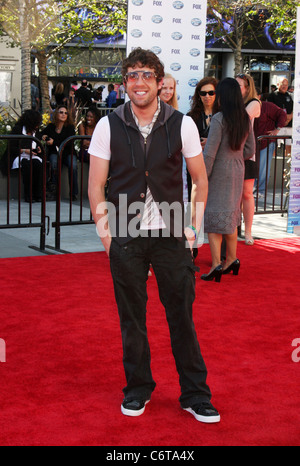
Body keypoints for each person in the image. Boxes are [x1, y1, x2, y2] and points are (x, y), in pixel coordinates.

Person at [88, 47, 220, 424]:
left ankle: (195, 394)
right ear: (124, 82)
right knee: (132, 319)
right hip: (125, 234)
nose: (140, 81)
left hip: (172, 232)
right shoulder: (107, 125)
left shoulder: (183, 124)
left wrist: (193, 226)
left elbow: (199, 179)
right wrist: (106, 236)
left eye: (147, 74)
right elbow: (96, 185)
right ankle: (137, 388)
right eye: (133, 75)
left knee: (181, 317)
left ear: (160, 82)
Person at [201, 78, 255, 282]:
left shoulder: (219, 119)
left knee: (214, 219)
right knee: (231, 217)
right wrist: (235, 154)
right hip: (237, 170)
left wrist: (202, 177)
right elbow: (250, 149)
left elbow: (210, 154)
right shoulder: (244, 117)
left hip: (219, 172)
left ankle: (216, 264)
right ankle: (231, 259)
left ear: (222, 96)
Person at [236, 73, 261, 246]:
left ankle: (248, 232)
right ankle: (234, 229)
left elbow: (240, 121)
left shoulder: (254, 103)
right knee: (234, 195)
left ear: (247, 88)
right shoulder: (232, 104)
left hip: (247, 154)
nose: (237, 89)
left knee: (246, 193)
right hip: (232, 154)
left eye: (240, 86)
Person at [41, 105, 78, 200]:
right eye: (61, 112)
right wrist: (44, 136)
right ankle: (54, 192)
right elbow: (40, 133)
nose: (63, 114)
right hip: (55, 153)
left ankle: (73, 193)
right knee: (53, 163)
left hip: (68, 152)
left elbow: (68, 142)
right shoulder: (51, 127)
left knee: (73, 165)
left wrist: (54, 142)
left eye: (65, 113)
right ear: (56, 114)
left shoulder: (70, 127)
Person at [254, 89, 286, 196]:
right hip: (253, 143)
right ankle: (253, 190)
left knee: (263, 167)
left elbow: (282, 113)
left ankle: (261, 191)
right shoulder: (245, 106)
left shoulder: (267, 106)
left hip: (265, 142)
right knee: (253, 167)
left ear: (259, 96)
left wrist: (277, 129)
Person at [9, 110, 43, 202]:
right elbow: (11, 148)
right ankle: (28, 194)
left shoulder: (36, 131)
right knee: (27, 165)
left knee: (37, 164)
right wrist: (24, 150)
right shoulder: (18, 130)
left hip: (32, 156)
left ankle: (38, 194)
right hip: (19, 155)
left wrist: (39, 149)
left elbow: (37, 145)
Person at [267, 78, 293, 158]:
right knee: (274, 147)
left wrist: (289, 117)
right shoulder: (272, 96)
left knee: (289, 146)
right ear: (278, 84)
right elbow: (269, 110)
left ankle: (287, 167)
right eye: (282, 84)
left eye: (286, 85)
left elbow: (294, 108)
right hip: (277, 126)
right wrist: (282, 120)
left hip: (289, 125)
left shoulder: (290, 95)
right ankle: (274, 166)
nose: (284, 86)